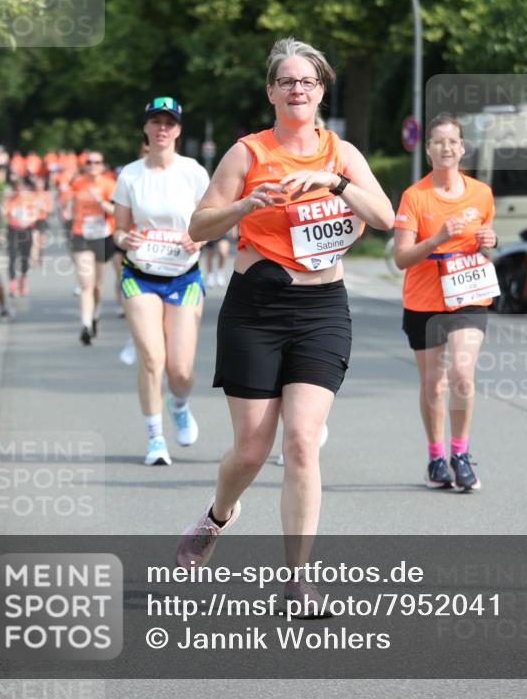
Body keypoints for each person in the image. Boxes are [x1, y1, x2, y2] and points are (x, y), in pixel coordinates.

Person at [176, 37, 394, 608]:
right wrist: (246, 206)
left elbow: (386, 218)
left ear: (321, 90)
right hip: (256, 309)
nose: (298, 89)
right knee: (250, 450)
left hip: (322, 309)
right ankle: (218, 516)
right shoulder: (246, 154)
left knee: (301, 441)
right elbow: (199, 227)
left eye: (308, 81)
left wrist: (334, 183)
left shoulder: (341, 153)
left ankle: (298, 577)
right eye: (287, 81)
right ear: (271, 91)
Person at [393, 113, 498, 493]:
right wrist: (436, 238)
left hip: (469, 296)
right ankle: (436, 457)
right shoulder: (414, 197)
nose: (446, 148)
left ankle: (461, 455)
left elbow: (485, 238)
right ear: (428, 151)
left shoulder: (481, 193)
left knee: (462, 377)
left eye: (453, 141)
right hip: (423, 299)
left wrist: (491, 240)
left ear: (462, 148)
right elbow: (401, 258)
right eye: (438, 142)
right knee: (434, 385)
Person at [112, 97, 210, 466]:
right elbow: (119, 230)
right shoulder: (131, 175)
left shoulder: (194, 172)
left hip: (184, 276)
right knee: (152, 358)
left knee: (180, 370)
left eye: (169, 122)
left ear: (179, 130)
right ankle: (155, 440)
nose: (162, 128)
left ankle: (179, 404)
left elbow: (212, 220)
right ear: (146, 128)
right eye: (155, 121)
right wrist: (125, 239)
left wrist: (198, 238)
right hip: (140, 275)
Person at [67, 151, 116, 345]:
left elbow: (116, 211)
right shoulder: (77, 183)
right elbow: (71, 203)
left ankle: (95, 315)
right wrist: (67, 211)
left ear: (102, 165)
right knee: (86, 284)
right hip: (81, 234)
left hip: (103, 236)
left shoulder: (109, 185)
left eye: (97, 162)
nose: (93, 165)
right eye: (89, 162)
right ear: (84, 165)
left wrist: (101, 201)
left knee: (97, 285)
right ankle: (85, 325)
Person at [2, 178, 40, 296]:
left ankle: (23, 280)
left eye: (20, 187)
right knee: (12, 257)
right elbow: (3, 213)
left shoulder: (30, 198)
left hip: (26, 229)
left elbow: (35, 213)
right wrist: (3, 203)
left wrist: (27, 222)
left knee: (25, 257)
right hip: (13, 229)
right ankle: (12, 284)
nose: (18, 190)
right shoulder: (9, 198)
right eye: (16, 187)